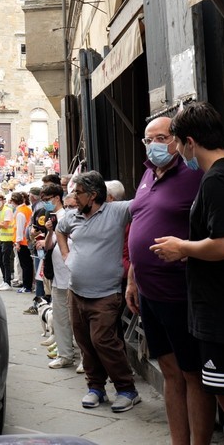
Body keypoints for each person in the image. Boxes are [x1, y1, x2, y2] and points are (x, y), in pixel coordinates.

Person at [152, 102, 224, 445]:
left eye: (175, 143)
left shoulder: (219, 179)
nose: (175, 151)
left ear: (190, 141)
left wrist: (184, 248)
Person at [125, 116, 214, 445]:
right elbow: (139, 222)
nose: (155, 145)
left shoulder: (194, 173)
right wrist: (133, 278)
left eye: (162, 137)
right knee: (169, 370)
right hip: (149, 292)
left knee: (193, 374)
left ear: (178, 139)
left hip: (181, 292)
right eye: (149, 139)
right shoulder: (149, 173)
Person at [57, 171, 139, 413]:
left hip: (106, 293)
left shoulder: (116, 211)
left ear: (92, 195)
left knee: (103, 340)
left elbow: (146, 205)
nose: (73, 197)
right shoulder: (73, 216)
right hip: (77, 292)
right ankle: (96, 388)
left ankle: (127, 389)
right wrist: (65, 255)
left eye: (77, 193)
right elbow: (60, 231)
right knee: (84, 342)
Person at [43, 189, 78, 369]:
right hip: (59, 278)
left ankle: (85, 359)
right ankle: (65, 355)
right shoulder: (59, 221)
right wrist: (50, 231)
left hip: (75, 280)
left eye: (74, 206)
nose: (71, 209)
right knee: (61, 319)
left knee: (77, 321)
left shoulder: (81, 222)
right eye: (69, 205)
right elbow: (48, 246)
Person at [14, 192, 34, 292]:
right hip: (27, 240)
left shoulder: (20, 212)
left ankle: (27, 286)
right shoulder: (26, 209)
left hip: (23, 242)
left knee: (25, 265)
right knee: (28, 265)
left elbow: (19, 228)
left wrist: (17, 242)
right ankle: (28, 285)